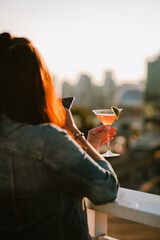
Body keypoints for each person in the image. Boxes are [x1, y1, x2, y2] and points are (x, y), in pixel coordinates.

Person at [0, 32, 119, 240]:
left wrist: (88, 146)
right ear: (38, 83)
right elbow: (106, 188)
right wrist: (76, 133)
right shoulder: (47, 140)